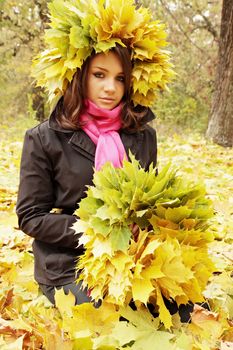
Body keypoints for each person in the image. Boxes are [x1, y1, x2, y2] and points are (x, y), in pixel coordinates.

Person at [16, 0, 173, 306]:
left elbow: (147, 205)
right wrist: (97, 230)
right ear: (80, 74)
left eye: (120, 78)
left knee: (176, 310)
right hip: (66, 264)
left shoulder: (143, 135)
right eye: (99, 74)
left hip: (130, 259)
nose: (110, 88)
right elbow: (31, 217)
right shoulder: (44, 138)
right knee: (111, 311)